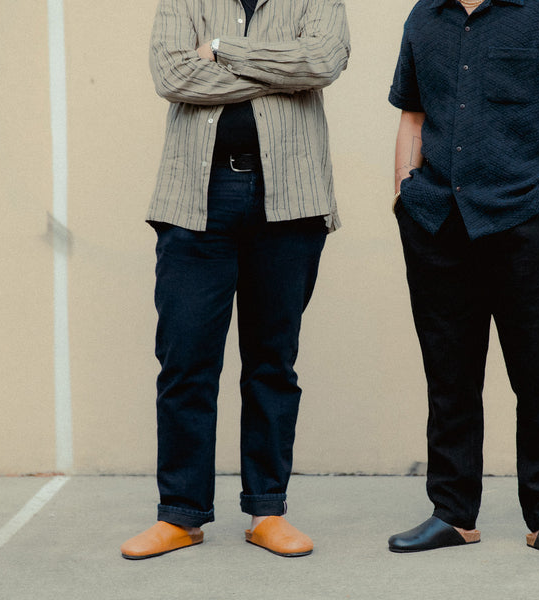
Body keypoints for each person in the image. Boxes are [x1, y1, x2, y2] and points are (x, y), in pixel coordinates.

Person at [121, 0, 350, 560]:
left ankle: (267, 510)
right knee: (185, 362)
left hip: (290, 199)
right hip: (195, 200)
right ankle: (180, 514)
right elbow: (172, 75)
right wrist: (280, 73)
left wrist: (222, 50)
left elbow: (322, 62)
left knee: (273, 362)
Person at [386, 0, 539, 562]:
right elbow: (412, 115)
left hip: (529, 218)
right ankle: (452, 514)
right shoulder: (424, 17)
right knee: (449, 378)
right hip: (438, 222)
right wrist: (403, 195)